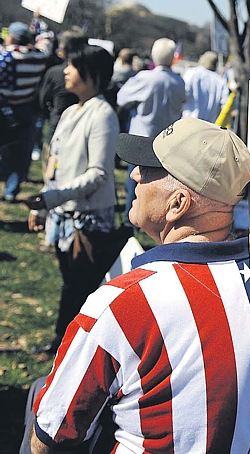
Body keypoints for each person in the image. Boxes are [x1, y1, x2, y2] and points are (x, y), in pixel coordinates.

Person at [26, 118, 250, 453]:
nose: (135, 174)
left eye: (151, 169)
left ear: (177, 205)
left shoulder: (123, 303)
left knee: (40, 394)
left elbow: (51, 436)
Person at [25, 45, 120, 355]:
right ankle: (64, 348)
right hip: (64, 216)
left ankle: (65, 350)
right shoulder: (71, 110)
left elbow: (99, 174)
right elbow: (56, 159)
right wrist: (45, 204)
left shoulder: (103, 115)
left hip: (87, 221)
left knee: (77, 291)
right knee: (70, 286)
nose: (65, 71)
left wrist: (52, 198)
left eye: (73, 66)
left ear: (91, 74)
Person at [116, 38, 185, 226]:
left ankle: (131, 221)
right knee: (157, 183)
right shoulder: (179, 82)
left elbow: (122, 97)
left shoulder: (146, 78)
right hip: (166, 139)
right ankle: (151, 220)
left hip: (142, 136)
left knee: (135, 181)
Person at [0, 22, 49, 201]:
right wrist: (38, 25)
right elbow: (45, 43)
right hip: (26, 108)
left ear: (12, 37)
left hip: (6, 109)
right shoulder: (38, 57)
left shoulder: (8, 57)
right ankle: (11, 190)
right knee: (21, 152)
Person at [38, 29, 88, 174]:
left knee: (50, 171)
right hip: (82, 128)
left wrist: (50, 114)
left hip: (57, 124)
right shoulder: (91, 74)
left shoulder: (55, 72)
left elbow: (43, 100)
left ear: (64, 49)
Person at [182, 50, 230, 123]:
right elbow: (225, 104)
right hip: (210, 127)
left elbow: (182, 95)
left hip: (189, 122)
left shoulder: (191, 73)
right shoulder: (220, 81)